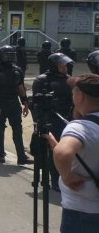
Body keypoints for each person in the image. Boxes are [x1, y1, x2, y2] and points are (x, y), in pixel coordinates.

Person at [46, 73, 99, 231]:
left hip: (82, 212)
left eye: (73, 91)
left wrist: (67, 176)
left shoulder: (80, 127)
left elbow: (62, 154)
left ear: (80, 96)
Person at [32, 53, 74, 191]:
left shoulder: (69, 80)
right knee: (50, 151)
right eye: (61, 65)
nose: (64, 67)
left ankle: (61, 177)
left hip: (66, 120)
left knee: (64, 151)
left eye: (65, 64)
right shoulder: (42, 80)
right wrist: (39, 121)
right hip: (49, 120)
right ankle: (53, 179)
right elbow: (36, 104)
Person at [0, 45, 33, 165]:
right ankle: (0, 154)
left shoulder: (17, 70)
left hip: (14, 103)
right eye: (7, 55)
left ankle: (21, 156)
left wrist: (25, 103)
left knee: (18, 129)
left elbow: (21, 88)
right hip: (0, 103)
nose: (9, 58)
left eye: (11, 55)